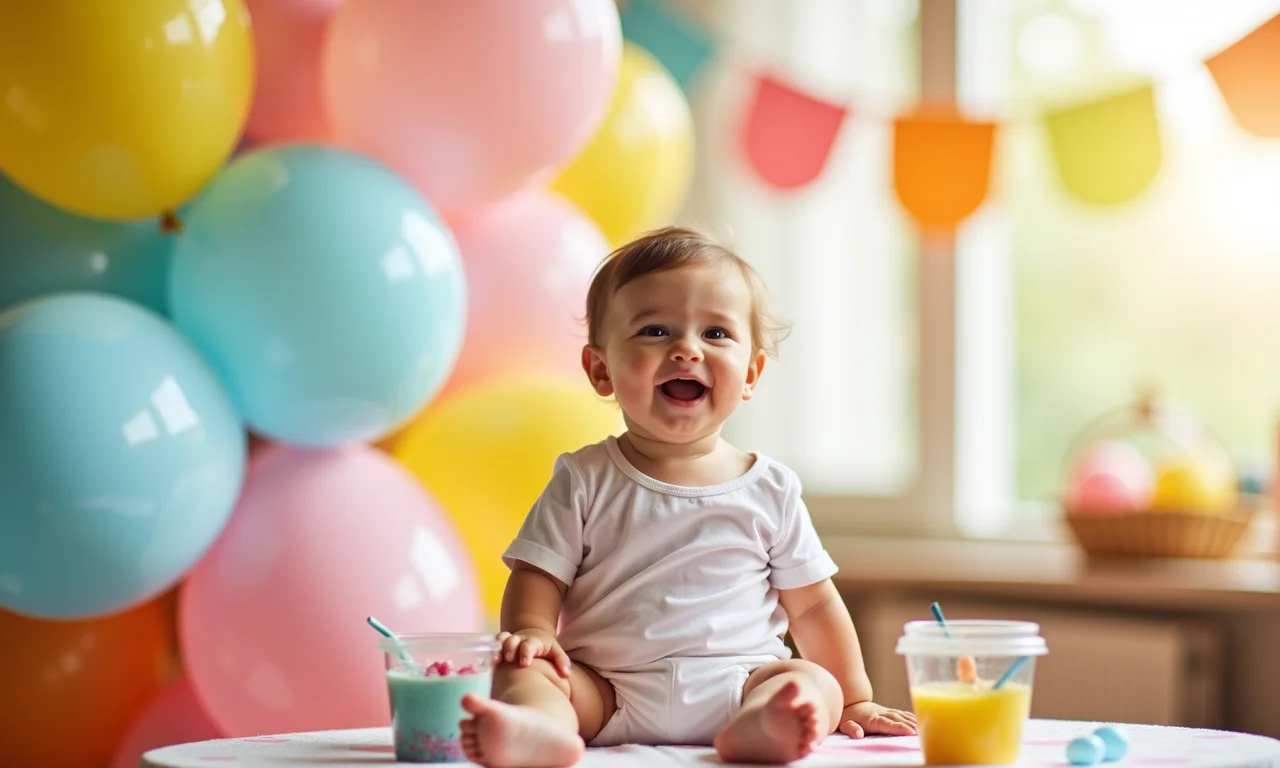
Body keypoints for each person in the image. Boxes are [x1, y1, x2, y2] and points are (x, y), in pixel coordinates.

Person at [460, 227, 916, 767]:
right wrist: (534, 635)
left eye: (716, 334)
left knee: (810, 680)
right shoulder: (583, 477)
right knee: (523, 670)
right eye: (655, 330)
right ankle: (539, 729)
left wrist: (854, 697)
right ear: (600, 369)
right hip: (605, 692)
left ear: (750, 373)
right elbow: (537, 577)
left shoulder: (771, 488)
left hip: (741, 683)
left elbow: (814, 605)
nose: (686, 349)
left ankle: (764, 726)